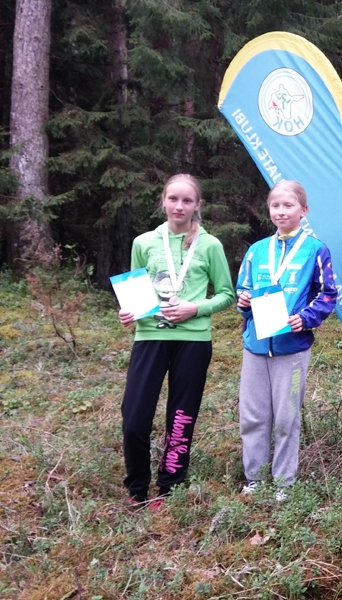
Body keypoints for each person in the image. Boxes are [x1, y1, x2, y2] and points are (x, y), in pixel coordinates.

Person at [119, 174, 235, 509]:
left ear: (197, 205)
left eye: (187, 200)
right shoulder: (144, 242)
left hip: (193, 340)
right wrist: (128, 312)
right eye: (173, 199)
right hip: (150, 336)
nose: (179, 206)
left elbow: (226, 294)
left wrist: (194, 308)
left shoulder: (210, 245)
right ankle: (137, 489)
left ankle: (169, 487)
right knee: (134, 418)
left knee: (181, 417)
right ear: (163, 201)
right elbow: (135, 293)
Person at [236, 181, 338, 500]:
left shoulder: (315, 249)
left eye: (288, 205)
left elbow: (328, 294)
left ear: (303, 210)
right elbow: (243, 290)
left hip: (291, 347)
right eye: (275, 205)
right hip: (256, 346)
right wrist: (244, 302)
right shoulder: (256, 251)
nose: (281, 211)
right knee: (252, 416)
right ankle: (255, 478)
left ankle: (283, 483)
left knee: (286, 417)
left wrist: (305, 318)